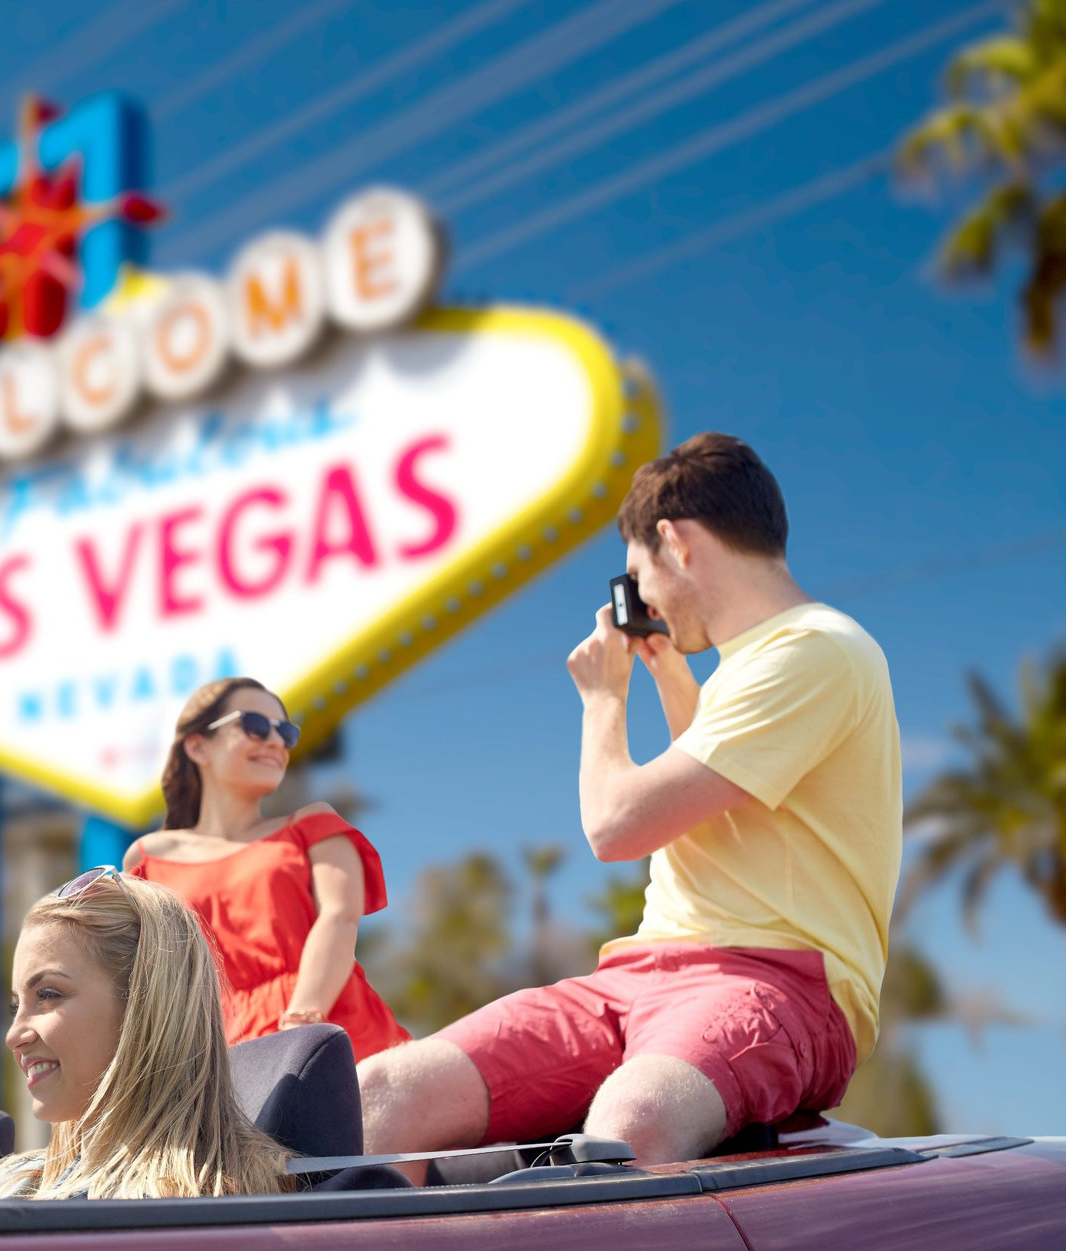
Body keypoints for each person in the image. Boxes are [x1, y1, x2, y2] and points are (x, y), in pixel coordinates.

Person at [359, 431, 902, 1167]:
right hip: (637, 978)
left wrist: (602, 701)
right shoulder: (757, 665)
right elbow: (718, 806)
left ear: (676, 542)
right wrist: (673, 680)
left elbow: (616, 826)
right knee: (384, 1095)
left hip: (779, 981)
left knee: (632, 1124)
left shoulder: (814, 648)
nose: (643, 600)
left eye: (639, 574)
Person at [124, 677, 409, 1063]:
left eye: (286, 732)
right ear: (198, 746)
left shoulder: (313, 826)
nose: (276, 741)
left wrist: (301, 1025)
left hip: (330, 1033)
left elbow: (339, 917)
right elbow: (140, 978)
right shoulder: (148, 860)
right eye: (255, 725)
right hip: (212, 1052)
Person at [0, 869, 292, 1199]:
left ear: (145, 1005)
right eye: (15, 1007)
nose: (14, 1036)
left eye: (48, 995)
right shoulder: (17, 1182)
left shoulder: (168, 1209)